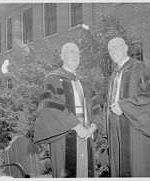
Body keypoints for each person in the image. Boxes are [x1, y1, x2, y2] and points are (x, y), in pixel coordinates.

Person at [33, 42, 103, 178]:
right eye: (71, 51)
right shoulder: (53, 78)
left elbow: (97, 110)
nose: (75, 55)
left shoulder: (85, 84)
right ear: (62, 56)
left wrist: (93, 127)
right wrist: (78, 127)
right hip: (64, 132)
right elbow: (50, 106)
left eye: (77, 52)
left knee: (86, 171)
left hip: (87, 132)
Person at [106, 37, 150, 177]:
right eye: (110, 49)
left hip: (132, 126)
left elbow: (149, 96)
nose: (112, 51)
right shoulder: (114, 74)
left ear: (125, 48)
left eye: (115, 47)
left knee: (135, 167)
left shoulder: (138, 67)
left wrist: (123, 106)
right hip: (115, 128)